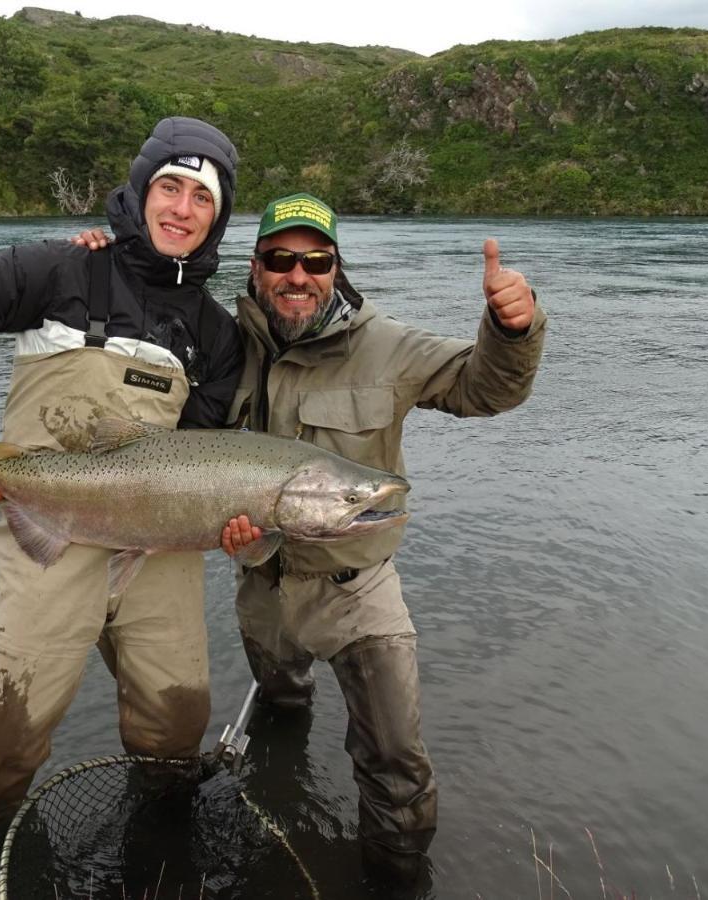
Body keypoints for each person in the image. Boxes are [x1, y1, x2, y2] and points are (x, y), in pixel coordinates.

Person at [0, 117, 244, 835]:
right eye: (170, 188)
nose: (182, 209)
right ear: (141, 191)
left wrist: (230, 522)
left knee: (177, 721)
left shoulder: (217, 335)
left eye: (202, 199)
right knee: (9, 725)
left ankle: (160, 833)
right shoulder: (63, 269)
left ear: (218, 218)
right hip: (47, 527)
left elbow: (200, 458)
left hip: (159, 545)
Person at [218, 192, 546, 885]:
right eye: (281, 258)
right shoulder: (224, 345)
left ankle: (397, 876)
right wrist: (104, 249)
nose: (297, 274)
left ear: (336, 268)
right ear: (255, 267)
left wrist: (513, 327)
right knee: (280, 703)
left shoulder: (389, 345)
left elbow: (484, 388)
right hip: (262, 583)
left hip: (356, 589)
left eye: (315, 260)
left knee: (396, 761)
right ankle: (283, 756)